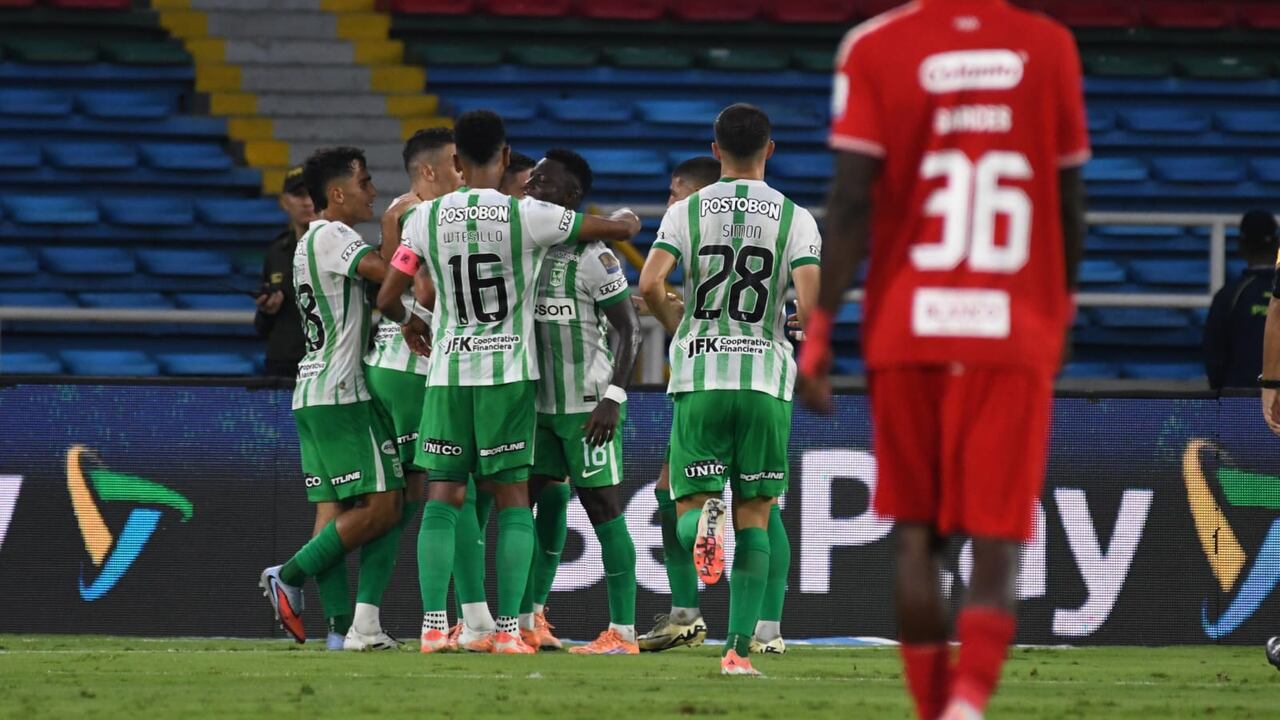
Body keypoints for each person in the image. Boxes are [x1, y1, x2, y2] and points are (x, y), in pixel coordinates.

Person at [797, 1, 1089, 716]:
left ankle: (934, 711)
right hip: (1011, 325)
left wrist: (821, 327)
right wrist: (1064, 307)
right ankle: (965, 707)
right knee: (996, 539)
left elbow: (853, 200)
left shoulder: (873, 47)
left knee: (917, 538)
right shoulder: (1050, 47)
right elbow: (1068, 199)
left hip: (910, 327)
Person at [376, 110, 641, 655]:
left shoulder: (421, 220)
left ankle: (433, 627)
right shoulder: (526, 217)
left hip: (447, 375)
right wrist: (628, 219)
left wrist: (411, 323)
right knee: (516, 501)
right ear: (504, 159)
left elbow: (388, 295)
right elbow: (612, 229)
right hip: (509, 378)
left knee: (442, 498)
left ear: (454, 161)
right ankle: (505, 630)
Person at [639, 103, 821, 676]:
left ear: (715, 150)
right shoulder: (797, 218)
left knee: (690, 504)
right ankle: (741, 650)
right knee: (759, 514)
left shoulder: (686, 212)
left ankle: (703, 522)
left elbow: (650, 283)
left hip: (702, 374)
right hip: (766, 375)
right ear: (771, 149)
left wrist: (680, 326)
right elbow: (812, 307)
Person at [260, 147, 421, 651]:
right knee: (387, 504)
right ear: (337, 193)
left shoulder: (309, 240)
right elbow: (386, 274)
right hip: (342, 391)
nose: (372, 192)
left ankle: (337, 629)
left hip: (312, 389)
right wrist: (408, 233)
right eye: (366, 183)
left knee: (334, 511)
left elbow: (374, 298)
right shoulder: (333, 234)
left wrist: (404, 319)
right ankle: (288, 573)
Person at [515, 148, 644, 654]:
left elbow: (629, 330)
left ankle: (624, 632)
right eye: (530, 179)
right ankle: (526, 618)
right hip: (536, 406)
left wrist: (613, 397)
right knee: (523, 507)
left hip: (587, 407)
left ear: (569, 200)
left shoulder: (594, 257)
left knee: (604, 508)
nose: (530, 188)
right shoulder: (525, 248)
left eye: (542, 184)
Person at [1204, 210, 1278, 389]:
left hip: (1239, 405)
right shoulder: (1229, 295)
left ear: (1241, 246)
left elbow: (1214, 360)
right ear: (1277, 244)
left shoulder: (1229, 295)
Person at [255, 166, 315, 377]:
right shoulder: (276, 252)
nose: (307, 202)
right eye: (299, 195)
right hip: (282, 363)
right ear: (283, 202)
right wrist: (266, 309)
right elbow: (261, 327)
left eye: (312, 193)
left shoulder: (342, 248)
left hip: (324, 365)